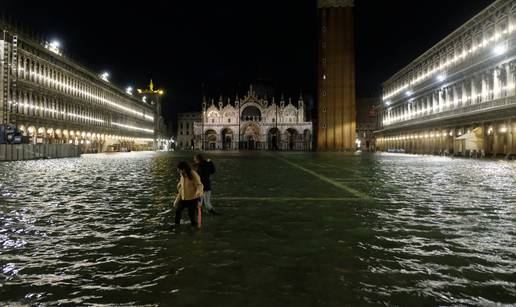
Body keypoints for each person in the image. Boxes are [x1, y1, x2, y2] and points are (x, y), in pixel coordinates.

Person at [174, 161, 203, 227]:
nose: (178, 170)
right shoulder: (182, 175)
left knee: (191, 216)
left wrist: (198, 192)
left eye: (179, 169)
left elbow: (199, 185)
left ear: (184, 169)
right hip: (183, 198)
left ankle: (195, 228)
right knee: (178, 211)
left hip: (192, 199)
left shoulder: (193, 174)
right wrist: (177, 200)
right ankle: (176, 225)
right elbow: (181, 189)